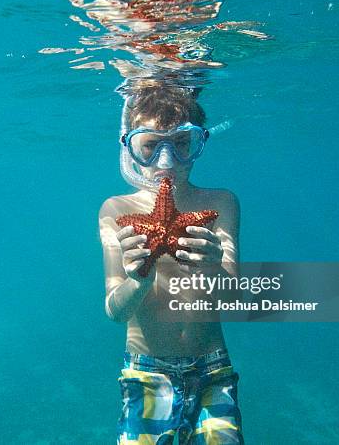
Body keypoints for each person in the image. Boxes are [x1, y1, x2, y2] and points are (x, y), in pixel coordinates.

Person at [98, 83, 243, 444]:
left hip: (212, 368)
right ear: (129, 147)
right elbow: (115, 311)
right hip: (146, 370)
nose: (166, 162)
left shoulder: (221, 203)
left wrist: (213, 266)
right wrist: (138, 280)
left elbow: (236, 301)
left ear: (199, 144)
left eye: (182, 144)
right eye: (150, 145)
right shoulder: (117, 211)